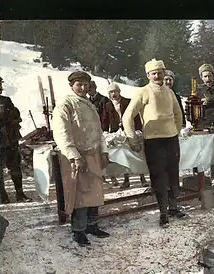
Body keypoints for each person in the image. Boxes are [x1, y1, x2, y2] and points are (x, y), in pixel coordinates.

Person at [122, 59, 185, 228]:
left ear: (164, 73)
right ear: (148, 75)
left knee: (173, 175)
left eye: (160, 72)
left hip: (171, 140)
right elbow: (128, 116)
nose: (157, 76)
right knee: (159, 178)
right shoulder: (143, 92)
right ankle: (163, 212)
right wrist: (132, 138)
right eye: (154, 73)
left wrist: (175, 130)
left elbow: (178, 114)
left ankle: (173, 207)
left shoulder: (170, 92)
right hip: (153, 142)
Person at [52, 71, 111, 246]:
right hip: (77, 157)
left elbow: (99, 131)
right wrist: (74, 156)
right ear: (72, 86)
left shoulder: (90, 105)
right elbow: (62, 133)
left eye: (86, 85)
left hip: (93, 154)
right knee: (79, 195)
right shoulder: (65, 104)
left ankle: (92, 226)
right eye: (79, 85)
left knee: (95, 192)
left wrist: (104, 151)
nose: (83, 88)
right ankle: (78, 230)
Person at [100, 82, 149, 189]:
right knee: (124, 156)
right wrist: (104, 132)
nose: (114, 94)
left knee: (136, 153)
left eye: (115, 91)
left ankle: (142, 177)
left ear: (119, 92)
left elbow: (135, 116)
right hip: (117, 134)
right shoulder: (108, 106)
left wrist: (138, 129)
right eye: (111, 92)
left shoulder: (128, 102)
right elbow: (104, 120)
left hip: (130, 131)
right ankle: (126, 180)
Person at [0, 76, 32, 203]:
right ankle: (3, 196)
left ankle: (20, 194)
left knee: (15, 168)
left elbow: (16, 115)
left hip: (10, 140)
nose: (1, 87)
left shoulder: (6, 100)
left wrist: (12, 121)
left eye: (1, 84)